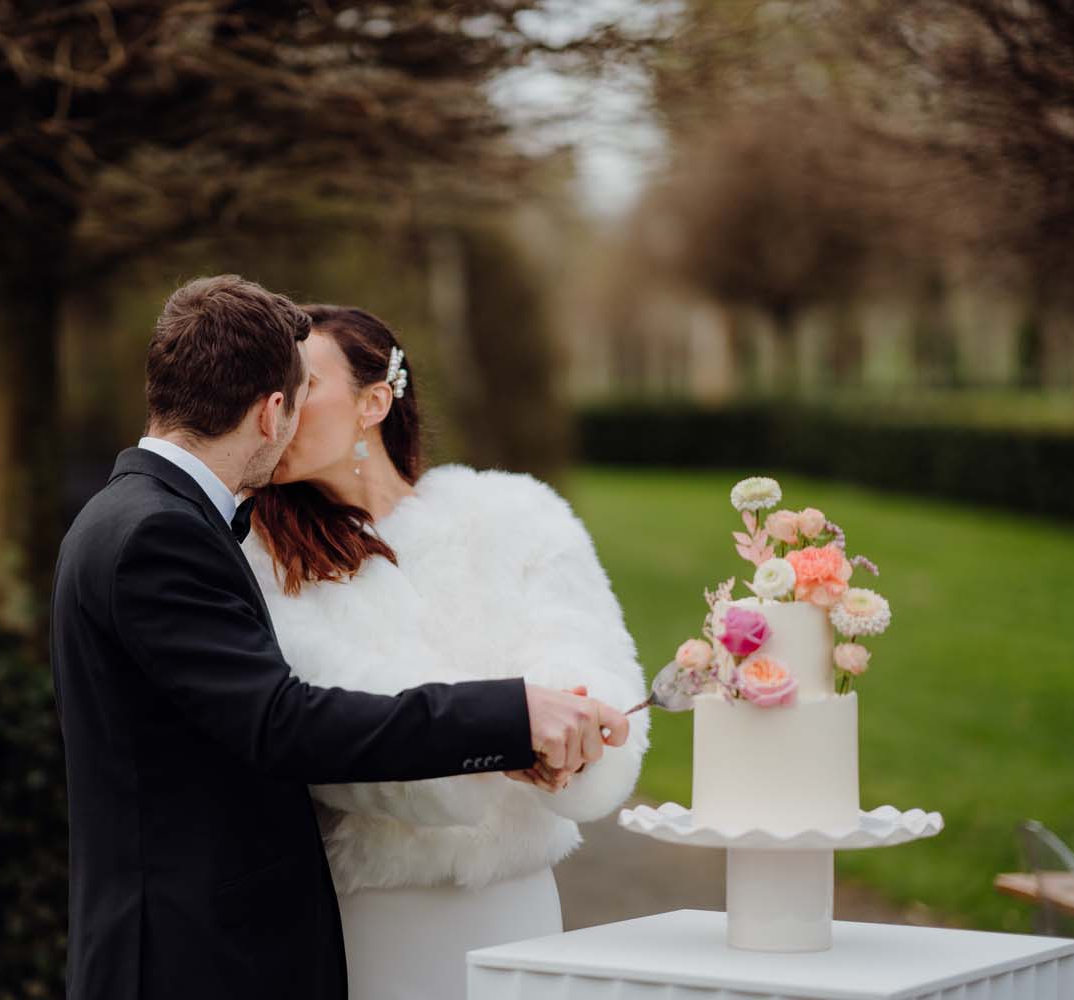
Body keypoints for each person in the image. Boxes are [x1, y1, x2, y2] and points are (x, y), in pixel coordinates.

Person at [48, 275, 629, 1000]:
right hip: (189, 955)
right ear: (271, 413)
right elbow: (281, 721)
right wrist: (510, 719)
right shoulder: (161, 533)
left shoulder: (133, 516)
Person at [242, 304, 650, 999]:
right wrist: (500, 739)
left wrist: (567, 741)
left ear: (374, 401)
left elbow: (590, 661)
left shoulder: (516, 516)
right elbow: (324, 727)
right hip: (371, 919)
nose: (277, 407)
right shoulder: (261, 560)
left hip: (517, 905)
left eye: (303, 385)